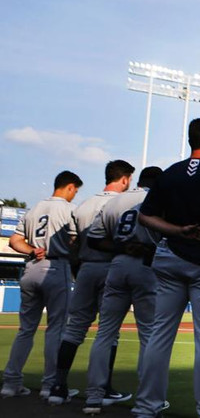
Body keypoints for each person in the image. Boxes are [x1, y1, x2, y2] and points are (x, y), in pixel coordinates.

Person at [132, 117, 200, 418]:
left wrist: (176, 230)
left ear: (191, 140)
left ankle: (146, 406)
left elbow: (145, 217)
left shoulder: (170, 174)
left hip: (169, 257)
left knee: (160, 334)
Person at [48, 160, 135, 406]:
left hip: (86, 268)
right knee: (109, 332)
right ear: (125, 179)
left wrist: (79, 270)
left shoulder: (83, 205)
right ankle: (103, 388)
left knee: (74, 328)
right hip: (111, 267)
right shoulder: (122, 204)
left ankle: (58, 386)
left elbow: (73, 245)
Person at [82, 166, 164, 415]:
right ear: (158, 182)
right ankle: (146, 402)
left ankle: (94, 398)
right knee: (149, 334)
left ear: (138, 180)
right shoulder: (159, 199)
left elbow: (94, 239)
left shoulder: (116, 201)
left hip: (117, 264)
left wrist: (122, 246)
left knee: (105, 332)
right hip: (146, 266)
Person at [1, 171, 83, 400]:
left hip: (31, 268)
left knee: (25, 329)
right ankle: (50, 387)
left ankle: (11, 383)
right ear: (69, 187)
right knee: (56, 329)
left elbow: (15, 240)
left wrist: (32, 250)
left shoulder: (34, 209)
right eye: (75, 190)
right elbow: (75, 241)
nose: (74, 194)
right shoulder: (69, 210)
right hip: (56, 268)